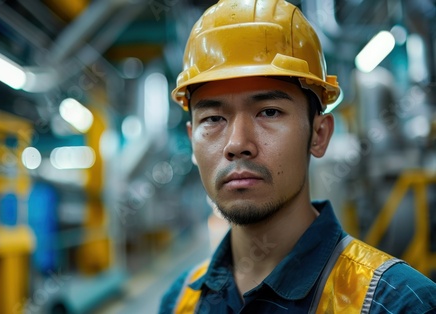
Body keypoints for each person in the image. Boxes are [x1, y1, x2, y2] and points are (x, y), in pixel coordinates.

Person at [159, 0, 436, 313]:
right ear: (190, 140)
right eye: (212, 119)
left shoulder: (397, 303)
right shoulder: (180, 301)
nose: (237, 144)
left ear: (318, 134)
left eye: (269, 112)